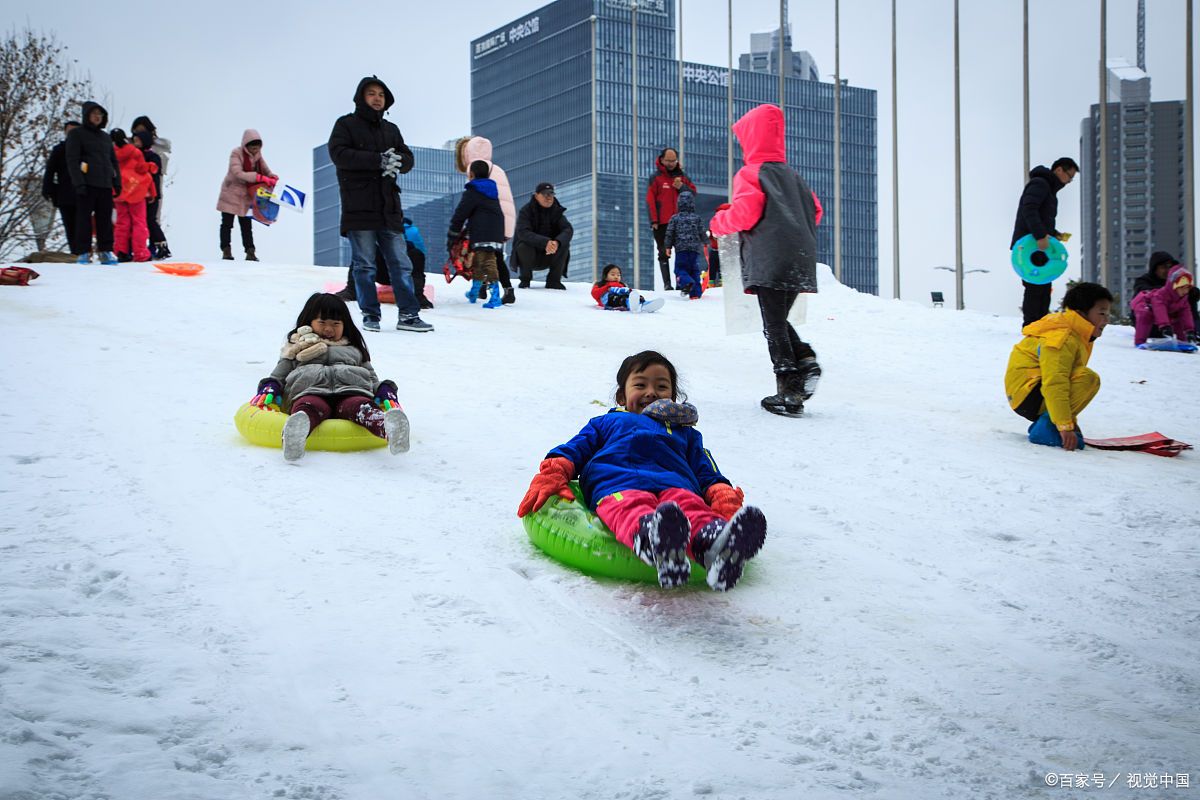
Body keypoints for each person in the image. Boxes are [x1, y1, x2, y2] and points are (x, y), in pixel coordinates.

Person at [517, 350, 766, 591]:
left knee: (691, 508)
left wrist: (720, 492)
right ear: (622, 397)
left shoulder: (684, 432)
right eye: (640, 385)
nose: (651, 393)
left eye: (661, 386)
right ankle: (655, 539)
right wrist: (554, 472)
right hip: (619, 484)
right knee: (630, 507)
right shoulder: (607, 422)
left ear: (673, 396)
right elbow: (574, 449)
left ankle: (717, 547)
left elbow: (705, 467)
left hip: (676, 486)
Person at [710, 103, 823, 418]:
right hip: (800, 257)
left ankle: (789, 390)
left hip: (769, 258)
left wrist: (718, 224)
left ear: (750, 138)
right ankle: (806, 362)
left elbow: (746, 213)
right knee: (779, 319)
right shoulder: (794, 176)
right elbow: (816, 211)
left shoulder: (750, 173)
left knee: (773, 324)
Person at [252, 293, 410, 462]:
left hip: (351, 390)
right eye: (322, 323)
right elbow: (279, 375)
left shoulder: (354, 350)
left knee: (360, 407)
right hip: (310, 390)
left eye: (335, 324)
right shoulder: (296, 348)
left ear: (345, 325)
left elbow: (371, 377)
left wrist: (384, 389)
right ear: (308, 322)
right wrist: (271, 386)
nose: (328, 329)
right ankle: (296, 432)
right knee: (311, 406)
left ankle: (389, 428)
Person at [327, 75, 431, 333]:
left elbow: (408, 157)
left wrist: (399, 161)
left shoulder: (391, 129)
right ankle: (370, 314)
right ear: (361, 97)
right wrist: (377, 160)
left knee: (401, 262)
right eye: (371, 93)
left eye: (381, 95)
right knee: (365, 264)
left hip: (389, 208)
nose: (376, 98)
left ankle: (408, 314)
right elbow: (338, 154)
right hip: (358, 207)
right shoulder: (346, 124)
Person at [1004, 282, 1113, 451]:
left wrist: (1070, 422)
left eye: (1108, 313)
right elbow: (1055, 382)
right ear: (1081, 313)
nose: (1106, 319)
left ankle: (1051, 422)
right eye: (1102, 313)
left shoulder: (1077, 332)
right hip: (1027, 394)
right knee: (1088, 378)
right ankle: (1045, 430)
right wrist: (1065, 426)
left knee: (1082, 377)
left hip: (1031, 391)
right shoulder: (1062, 336)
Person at [1011, 157, 1079, 327]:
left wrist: (1054, 234)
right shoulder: (1040, 184)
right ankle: (1032, 325)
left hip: (1039, 243)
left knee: (1043, 286)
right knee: (1035, 287)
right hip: (1031, 245)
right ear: (1059, 170)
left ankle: (1039, 323)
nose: (1069, 181)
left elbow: (1040, 216)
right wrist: (1041, 235)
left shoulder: (1049, 189)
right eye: (1069, 176)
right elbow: (1029, 208)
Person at [455, 136, 517, 304]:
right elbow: (507, 201)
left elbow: (473, 201)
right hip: (501, 221)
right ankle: (491, 289)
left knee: (488, 257)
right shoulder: (497, 169)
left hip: (487, 224)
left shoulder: (476, 170)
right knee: (491, 256)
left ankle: (492, 290)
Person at [65, 101, 121, 265]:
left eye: (100, 114)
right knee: (83, 219)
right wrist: (79, 183)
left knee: (105, 219)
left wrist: (117, 181)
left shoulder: (105, 137)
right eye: (94, 113)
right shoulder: (77, 134)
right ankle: (83, 252)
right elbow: (72, 160)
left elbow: (113, 161)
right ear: (87, 115)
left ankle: (106, 251)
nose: (97, 117)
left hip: (104, 183)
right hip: (86, 184)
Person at [334, 217, 431, 309]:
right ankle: (352, 289)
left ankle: (352, 290)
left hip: (400, 273)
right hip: (391, 272)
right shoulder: (410, 230)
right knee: (363, 253)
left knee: (363, 253)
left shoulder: (409, 231)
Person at [448, 160, 507, 309]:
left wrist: (453, 234)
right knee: (479, 261)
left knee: (487, 261)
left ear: (471, 174)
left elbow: (461, 213)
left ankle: (495, 296)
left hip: (483, 231)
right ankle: (474, 292)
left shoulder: (473, 191)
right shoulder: (491, 189)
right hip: (496, 230)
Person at [216, 129, 275, 262]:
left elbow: (266, 169)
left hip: (247, 195)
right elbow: (238, 173)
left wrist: (271, 176)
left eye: (257, 148)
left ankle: (250, 252)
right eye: (252, 148)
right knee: (227, 223)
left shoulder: (258, 156)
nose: (255, 151)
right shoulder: (236, 153)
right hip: (231, 192)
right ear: (246, 145)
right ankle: (226, 250)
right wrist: (259, 177)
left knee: (246, 225)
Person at [646, 147, 697, 291]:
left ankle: (681, 282)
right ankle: (667, 284)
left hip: (682, 222)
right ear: (661, 160)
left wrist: (681, 187)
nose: (670, 163)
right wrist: (653, 220)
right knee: (663, 252)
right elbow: (650, 199)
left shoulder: (683, 177)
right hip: (662, 222)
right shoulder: (655, 178)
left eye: (673, 160)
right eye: (668, 160)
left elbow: (693, 194)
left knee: (682, 252)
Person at [514, 182, 573, 289]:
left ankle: (554, 281)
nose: (549, 197)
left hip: (550, 254)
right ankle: (525, 280)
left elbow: (568, 229)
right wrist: (545, 242)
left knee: (564, 244)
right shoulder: (526, 211)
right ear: (536, 195)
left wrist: (557, 242)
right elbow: (523, 232)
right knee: (523, 245)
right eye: (545, 194)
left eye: (551, 194)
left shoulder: (557, 211)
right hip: (531, 255)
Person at [110, 129, 157, 262]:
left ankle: (120, 251)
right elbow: (142, 170)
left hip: (119, 191)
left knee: (121, 222)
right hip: (136, 189)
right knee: (139, 222)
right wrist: (151, 166)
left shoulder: (110, 153)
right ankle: (140, 252)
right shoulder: (134, 152)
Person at [1131, 251, 1200, 335]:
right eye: (1163, 267)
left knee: (1188, 297)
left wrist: (1191, 292)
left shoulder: (1176, 283)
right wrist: (1167, 291)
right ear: (1155, 269)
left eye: (1170, 267)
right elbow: (1143, 291)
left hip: (1172, 321)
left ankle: (1195, 331)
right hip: (1150, 323)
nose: (1167, 270)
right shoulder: (1143, 281)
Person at [1130, 266, 1197, 346]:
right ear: (1174, 286)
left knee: (1178, 318)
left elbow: (1186, 314)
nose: (1185, 291)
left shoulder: (1183, 300)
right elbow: (1159, 309)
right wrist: (1165, 326)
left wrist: (1189, 330)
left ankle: (1183, 342)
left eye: (1188, 288)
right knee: (1145, 314)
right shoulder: (1161, 295)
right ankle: (1140, 342)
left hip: (1167, 311)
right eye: (1182, 288)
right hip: (1145, 304)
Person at [42, 121, 80, 253]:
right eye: (69, 131)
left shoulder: (85, 150)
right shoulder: (59, 150)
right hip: (65, 194)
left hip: (84, 194)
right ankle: (75, 253)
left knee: (83, 227)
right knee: (70, 227)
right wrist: (49, 189)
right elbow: (50, 170)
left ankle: (83, 253)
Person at [133, 131, 170, 258]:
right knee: (142, 221)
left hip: (151, 194)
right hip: (137, 194)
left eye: (138, 140)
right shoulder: (134, 155)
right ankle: (142, 247)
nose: (135, 143)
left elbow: (153, 174)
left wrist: (152, 193)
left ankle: (161, 245)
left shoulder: (153, 156)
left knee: (150, 220)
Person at [664, 190, 706, 298]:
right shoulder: (697, 218)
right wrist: (706, 242)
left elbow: (669, 233)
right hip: (694, 250)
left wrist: (668, 247)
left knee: (680, 269)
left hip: (681, 249)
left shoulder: (675, 218)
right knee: (694, 270)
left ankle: (687, 282)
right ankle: (696, 293)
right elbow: (702, 231)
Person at [591, 264, 656, 312]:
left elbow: (626, 291)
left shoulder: (622, 285)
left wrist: (631, 292)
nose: (616, 277)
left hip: (621, 298)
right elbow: (594, 293)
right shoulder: (601, 284)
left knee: (635, 296)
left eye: (618, 275)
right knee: (620, 299)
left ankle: (645, 304)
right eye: (613, 274)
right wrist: (607, 288)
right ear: (605, 276)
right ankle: (631, 304)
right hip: (609, 301)